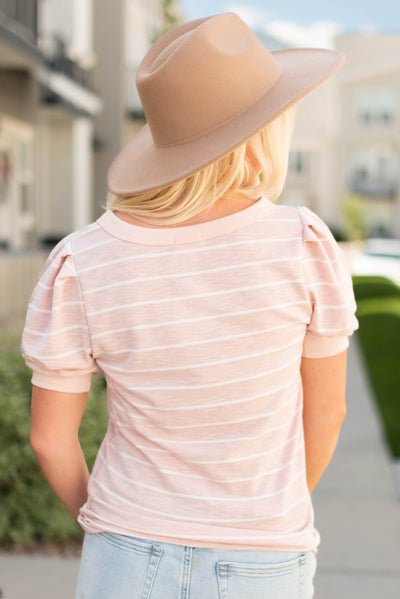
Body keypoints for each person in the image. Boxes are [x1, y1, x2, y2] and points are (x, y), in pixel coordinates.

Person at [21, 12, 359, 599]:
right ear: (262, 134)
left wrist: (107, 526)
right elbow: (327, 415)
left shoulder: (82, 261)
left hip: (124, 554)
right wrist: (264, 516)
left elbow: (50, 440)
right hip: (264, 560)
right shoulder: (303, 244)